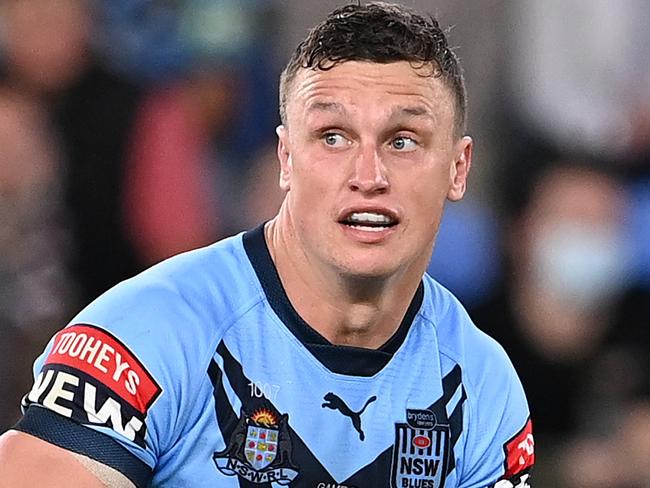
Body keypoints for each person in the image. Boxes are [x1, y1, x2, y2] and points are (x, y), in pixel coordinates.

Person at [0, 3, 534, 487]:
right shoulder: (150, 333)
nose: (369, 175)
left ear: (458, 169)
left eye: (402, 141)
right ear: (285, 160)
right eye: (333, 137)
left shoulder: (481, 385)